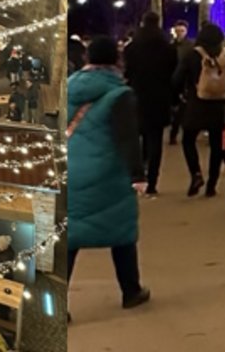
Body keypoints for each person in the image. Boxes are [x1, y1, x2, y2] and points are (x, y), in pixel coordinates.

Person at [66, 36, 151, 310]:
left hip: (72, 168)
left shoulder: (69, 86)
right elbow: (127, 138)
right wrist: (138, 175)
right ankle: (131, 291)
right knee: (122, 231)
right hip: (107, 171)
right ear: (116, 60)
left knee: (70, 235)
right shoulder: (119, 94)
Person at [121, 12, 178, 196]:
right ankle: (152, 181)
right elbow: (172, 72)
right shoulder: (167, 47)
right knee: (155, 141)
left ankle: (137, 178)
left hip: (138, 96)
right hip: (160, 97)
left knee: (136, 139)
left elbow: (127, 72)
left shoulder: (132, 47)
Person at [173, 23, 225, 198]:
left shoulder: (192, 55)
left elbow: (177, 79)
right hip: (219, 103)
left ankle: (196, 173)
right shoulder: (224, 55)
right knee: (216, 144)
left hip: (195, 103)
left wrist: (179, 96)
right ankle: (212, 183)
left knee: (188, 139)